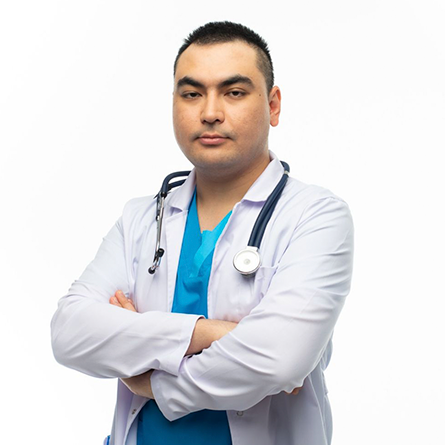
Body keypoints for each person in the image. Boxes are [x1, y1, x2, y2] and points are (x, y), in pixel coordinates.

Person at [51, 21, 354, 445]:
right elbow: (69, 333)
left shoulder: (315, 216)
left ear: (273, 106)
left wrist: (152, 381)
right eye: (192, 94)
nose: (210, 112)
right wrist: (210, 334)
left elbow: (278, 360)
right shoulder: (141, 218)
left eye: (234, 92)